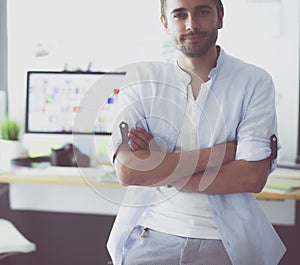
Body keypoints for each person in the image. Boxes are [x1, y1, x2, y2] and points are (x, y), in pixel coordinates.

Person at [106, 0, 286, 264]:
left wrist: (159, 164)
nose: (191, 24)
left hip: (225, 243)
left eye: (202, 11)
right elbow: (128, 171)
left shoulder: (254, 82)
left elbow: (251, 177)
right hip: (150, 235)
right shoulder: (141, 83)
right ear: (165, 24)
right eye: (180, 14)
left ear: (220, 17)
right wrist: (219, 154)